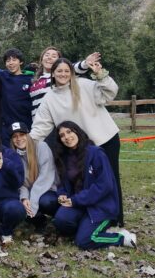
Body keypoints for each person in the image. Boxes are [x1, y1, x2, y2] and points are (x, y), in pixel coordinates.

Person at [29, 57, 125, 226]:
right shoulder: (50, 98)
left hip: (104, 139)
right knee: (83, 182)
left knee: (110, 180)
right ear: (53, 73)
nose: (63, 74)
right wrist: (25, 144)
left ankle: (115, 220)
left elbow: (109, 93)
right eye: (59, 71)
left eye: (67, 71)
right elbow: (40, 126)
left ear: (72, 73)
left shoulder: (84, 85)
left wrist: (101, 75)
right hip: (78, 147)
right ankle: (89, 217)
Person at [50, 121, 136, 249]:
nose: (67, 137)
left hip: (100, 206)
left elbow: (104, 186)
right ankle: (86, 227)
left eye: (69, 132)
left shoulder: (96, 153)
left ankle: (122, 238)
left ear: (77, 131)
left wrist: (75, 200)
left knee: (83, 241)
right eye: (62, 135)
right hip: (80, 204)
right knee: (61, 220)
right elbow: (63, 182)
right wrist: (62, 194)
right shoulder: (65, 157)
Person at [8, 122, 58, 229]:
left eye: (22, 135)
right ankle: (39, 221)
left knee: (46, 202)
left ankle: (58, 219)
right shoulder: (14, 155)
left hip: (49, 190)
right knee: (20, 203)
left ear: (28, 135)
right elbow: (21, 183)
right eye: (14, 136)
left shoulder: (41, 147)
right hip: (31, 192)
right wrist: (24, 199)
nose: (18, 138)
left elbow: (46, 178)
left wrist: (32, 204)